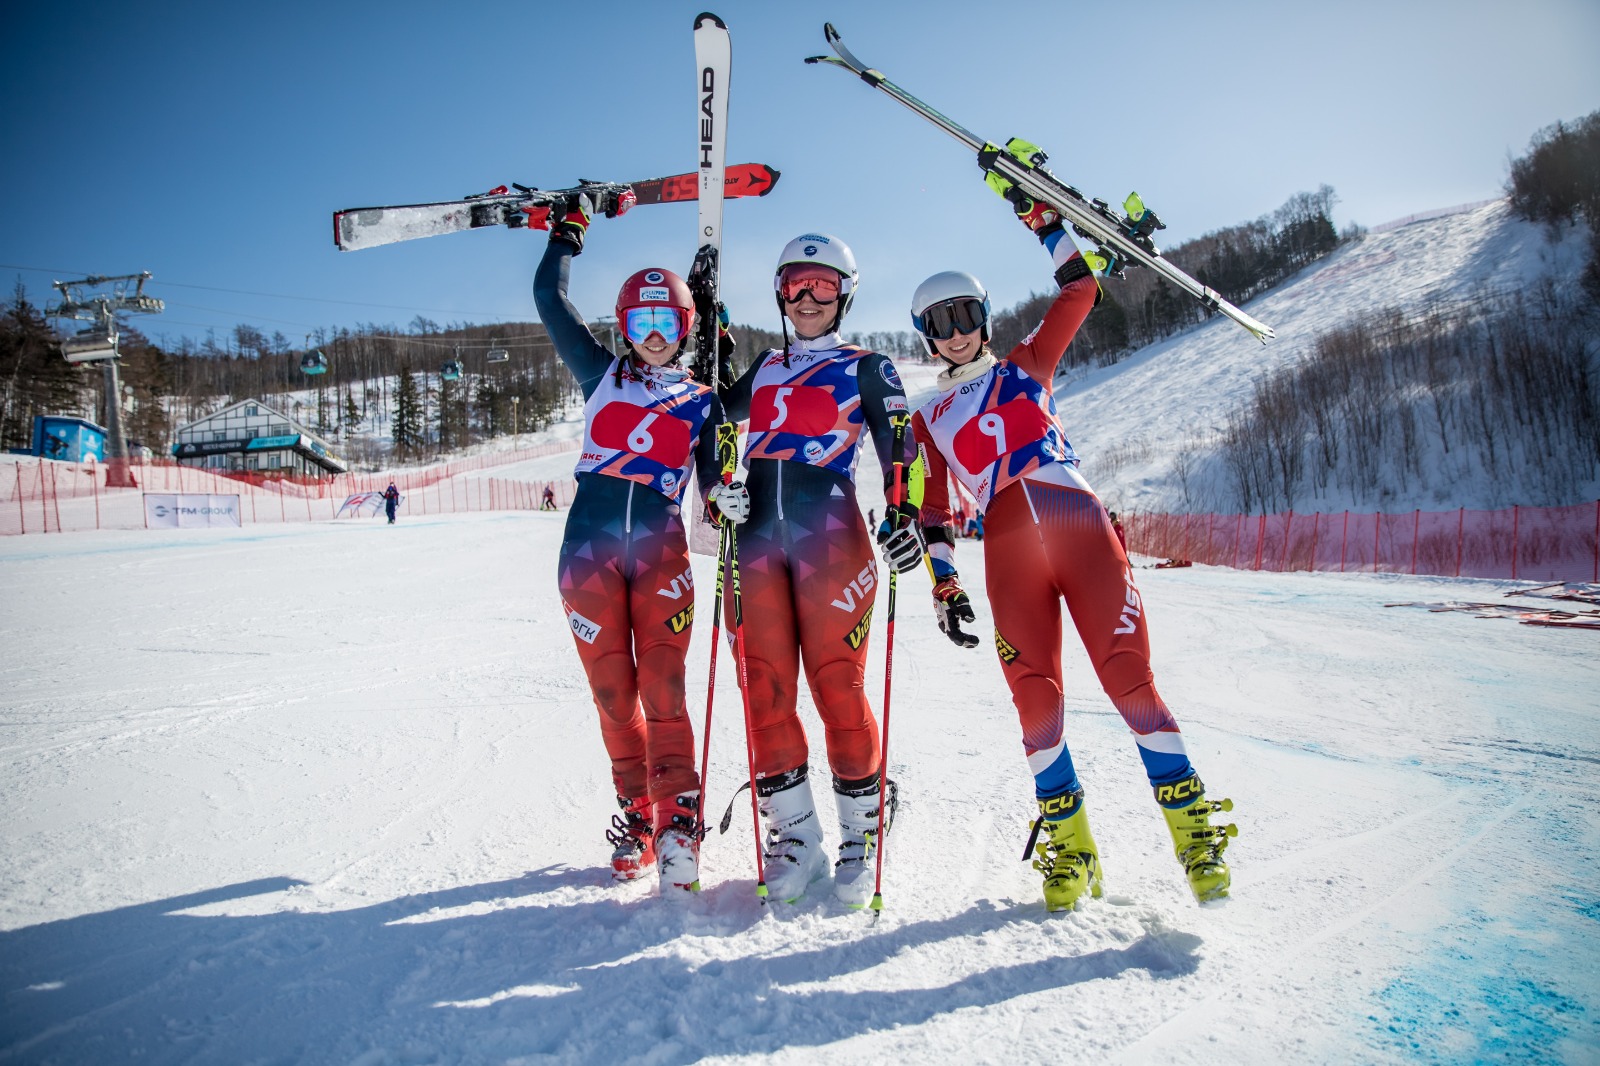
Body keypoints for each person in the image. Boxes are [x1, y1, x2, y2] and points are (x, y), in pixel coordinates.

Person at [906, 177, 1237, 910]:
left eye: (965, 315)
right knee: (1035, 702)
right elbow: (931, 514)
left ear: (984, 319)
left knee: (1130, 682)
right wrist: (944, 583)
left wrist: (1040, 218)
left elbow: (1081, 288)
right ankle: (1072, 849)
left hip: (1077, 524)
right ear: (926, 335)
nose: (955, 330)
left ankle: (1194, 837)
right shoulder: (926, 421)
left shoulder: (1026, 365)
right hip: (1008, 551)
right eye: (939, 321)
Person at [531, 191, 740, 897]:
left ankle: (679, 817)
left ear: (684, 327)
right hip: (586, 559)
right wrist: (570, 231)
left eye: (667, 321)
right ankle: (638, 813)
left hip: (660, 558)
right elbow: (548, 297)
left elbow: (714, 478)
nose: (654, 333)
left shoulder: (703, 399)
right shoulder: (600, 376)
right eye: (641, 320)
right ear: (625, 325)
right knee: (616, 699)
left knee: (664, 689)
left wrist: (724, 496)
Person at [716, 232, 920, 907]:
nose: (808, 298)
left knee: (838, 687)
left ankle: (863, 830)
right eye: (797, 284)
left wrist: (904, 516)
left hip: (830, 538)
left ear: (845, 295)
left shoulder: (868, 366)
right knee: (764, 689)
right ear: (779, 292)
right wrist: (709, 349)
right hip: (753, 540)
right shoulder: (767, 366)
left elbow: (900, 447)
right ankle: (796, 835)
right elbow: (712, 416)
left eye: (823, 286)